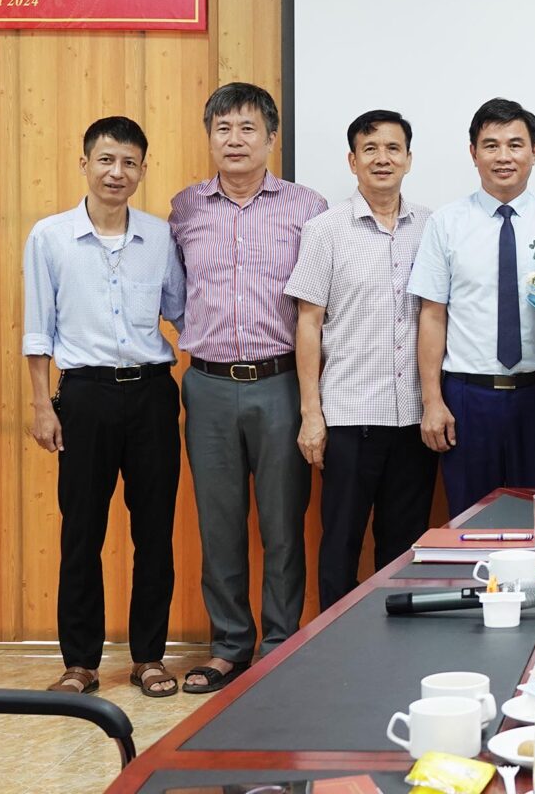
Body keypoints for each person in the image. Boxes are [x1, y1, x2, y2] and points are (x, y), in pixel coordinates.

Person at [169, 83, 328, 692]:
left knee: (284, 524)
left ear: (271, 138)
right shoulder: (186, 207)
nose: (234, 140)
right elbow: (176, 292)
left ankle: (280, 644)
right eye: (223, 128)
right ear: (209, 136)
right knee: (219, 524)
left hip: (280, 381)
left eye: (247, 128)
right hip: (208, 385)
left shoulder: (307, 206)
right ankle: (230, 645)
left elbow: (320, 301)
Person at [23, 116, 186, 697]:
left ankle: (149, 658)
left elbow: (181, 312)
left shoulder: (161, 237)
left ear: (142, 170)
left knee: (155, 532)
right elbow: (38, 330)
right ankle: (80, 663)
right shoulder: (49, 237)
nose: (117, 172)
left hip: (152, 395)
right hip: (85, 397)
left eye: (129, 163)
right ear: (85, 164)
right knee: (82, 531)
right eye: (107, 160)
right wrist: (43, 406)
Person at [409, 98, 535, 515]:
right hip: (467, 399)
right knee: (471, 521)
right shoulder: (446, 223)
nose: (503, 156)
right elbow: (432, 315)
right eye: (491, 145)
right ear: (473, 153)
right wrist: (432, 401)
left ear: (534, 152)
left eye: (515, 144)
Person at [286, 110, 435, 611]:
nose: (382, 158)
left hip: (413, 418)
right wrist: (311, 413)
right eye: (370, 149)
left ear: (409, 159)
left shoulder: (431, 227)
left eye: (393, 148)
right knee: (340, 545)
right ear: (353, 161)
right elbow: (308, 324)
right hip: (350, 418)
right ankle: (336, 645)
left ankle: (397, 644)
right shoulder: (324, 230)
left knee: (405, 549)